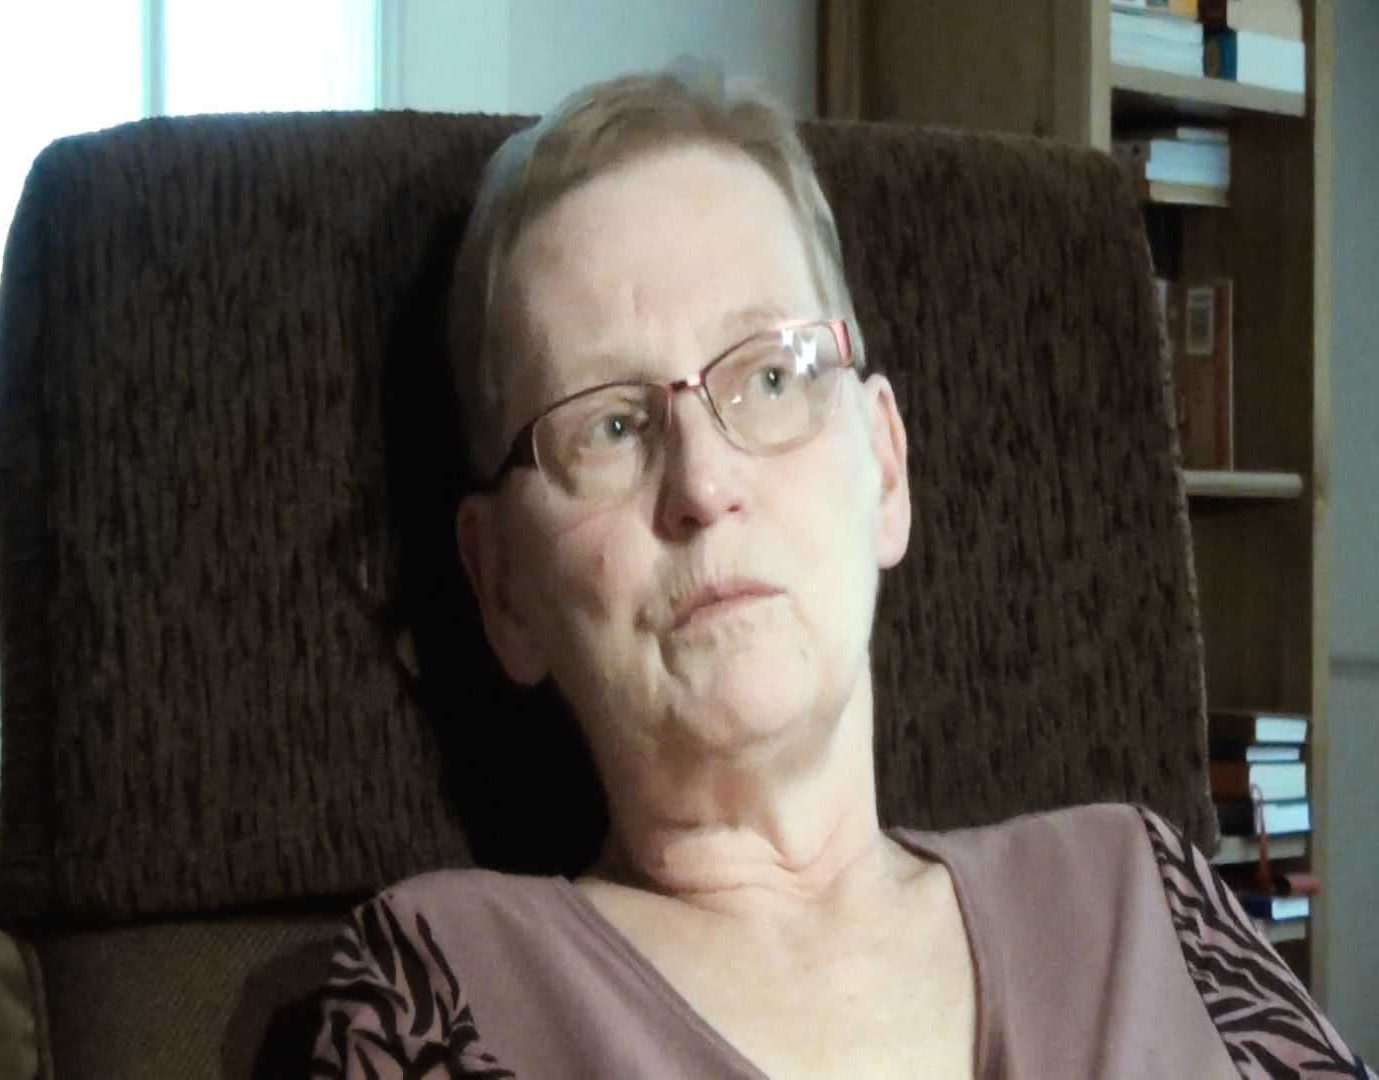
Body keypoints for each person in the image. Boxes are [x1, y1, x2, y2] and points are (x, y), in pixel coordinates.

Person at [310, 71, 1373, 1079]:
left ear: (887, 468)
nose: (704, 483)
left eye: (773, 375)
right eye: (612, 426)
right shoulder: (443, 985)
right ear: (501, 584)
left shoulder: (1145, 891)